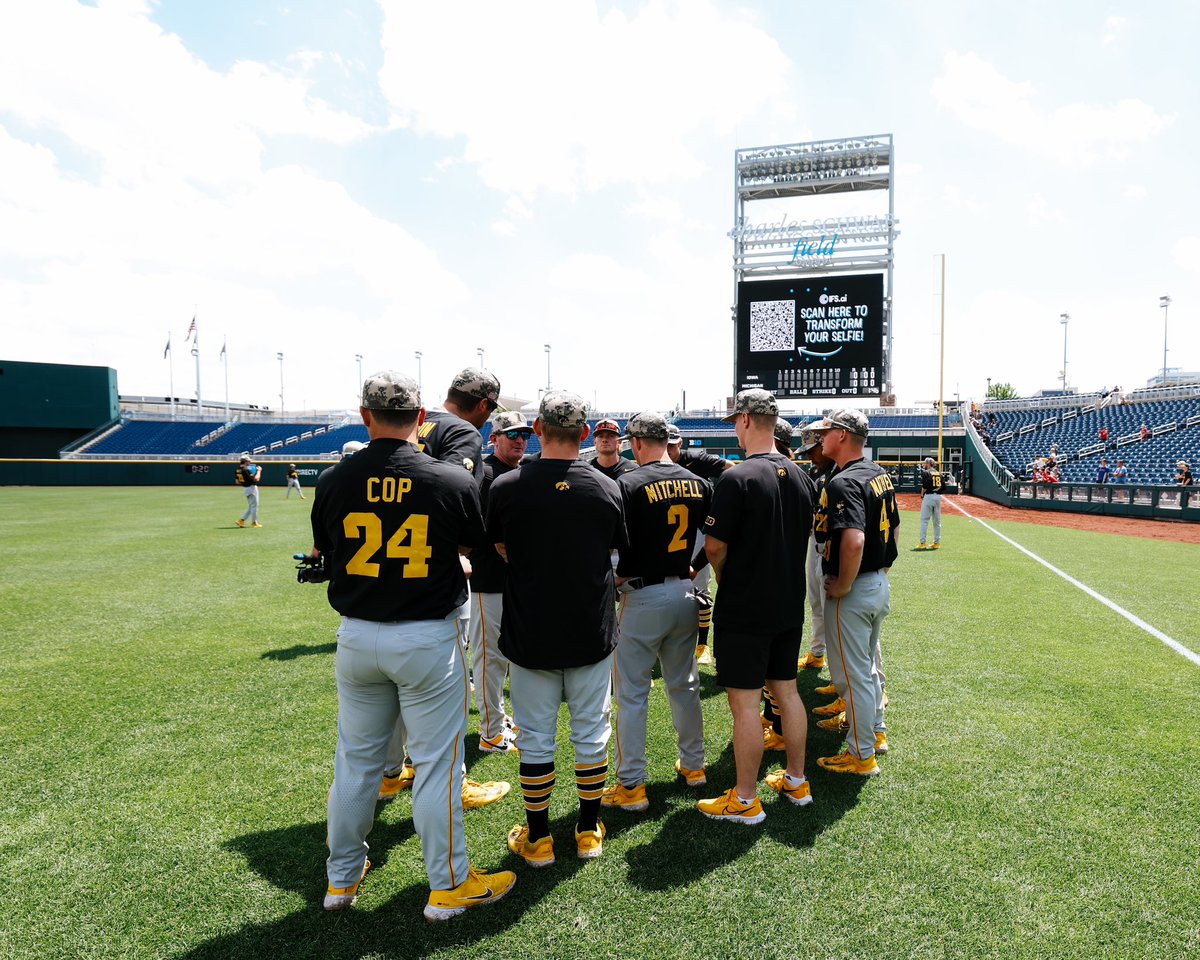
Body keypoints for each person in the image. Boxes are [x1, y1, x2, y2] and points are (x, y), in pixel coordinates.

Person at [311, 370, 514, 919]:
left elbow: (326, 550)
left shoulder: (332, 480)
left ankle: (341, 879)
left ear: (364, 416)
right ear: (422, 419)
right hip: (426, 637)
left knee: (356, 765)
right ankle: (448, 886)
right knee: (438, 764)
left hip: (356, 636)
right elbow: (466, 546)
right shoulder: (450, 480)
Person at [489, 390, 627, 866]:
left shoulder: (506, 486)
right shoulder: (608, 487)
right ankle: (587, 832)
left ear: (540, 431)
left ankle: (540, 838)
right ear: (585, 433)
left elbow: (500, 546)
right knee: (591, 735)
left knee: (536, 738)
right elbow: (614, 548)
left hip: (531, 630)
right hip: (589, 627)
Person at [380, 365, 509, 809]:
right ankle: (455, 779)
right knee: (447, 688)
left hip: (384, 568)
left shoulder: (418, 421)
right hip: (435, 574)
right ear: (485, 405)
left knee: (390, 689)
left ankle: (392, 771)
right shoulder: (462, 432)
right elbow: (454, 496)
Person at [697, 388, 816, 822]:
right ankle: (797, 781)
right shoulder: (803, 476)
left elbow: (713, 549)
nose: (734, 428)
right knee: (787, 692)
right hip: (788, 602)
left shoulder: (737, 477)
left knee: (745, 704)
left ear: (746, 419)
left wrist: (730, 578)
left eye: (734, 421)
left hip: (747, 607)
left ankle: (745, 800)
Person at [602, 412, 711, 813]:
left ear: (636, 442)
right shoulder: (698, 482)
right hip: (684, 589)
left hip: (641, 594)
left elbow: (618, 546)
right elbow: (713, 539)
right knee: (684, 684)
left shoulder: (626, 483)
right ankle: (695, 767)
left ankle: (632, 785)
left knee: (631, 693)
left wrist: (617, 578)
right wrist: (695, 567)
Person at [813, 409, 900, 777]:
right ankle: (875, 732)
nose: (821, 438)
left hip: (855, 586)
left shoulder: (843, 482)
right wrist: (883, 567)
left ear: (844, 435)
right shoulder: (878, 474)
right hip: (878, 581)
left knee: (854, 676)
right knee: (867, 668)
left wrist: (845, 583)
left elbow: (854, 540)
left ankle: (861, 755)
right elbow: (894, 527)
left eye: (828, 431)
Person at [469, 410, 531, 755]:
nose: (520, 440)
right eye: (512, 435)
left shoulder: (517, 473)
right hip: (487, 579)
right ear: (495, 438)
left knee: (508, 657)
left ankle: (500, 719)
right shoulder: (487, 474)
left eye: (523, 434)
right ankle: (491, 732)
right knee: (490, 659)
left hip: (514, 580)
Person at [666, 424, 729, 663]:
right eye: (666, 445)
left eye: (673, 445)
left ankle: (703, 645)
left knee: (700, 585)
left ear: (680, 443)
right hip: (669, 529)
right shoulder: (658, 462)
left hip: (698, 529)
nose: (670, 450)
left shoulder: (694, 459)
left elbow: (731, 469)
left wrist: (719, 497)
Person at [797, 421, 834, 671]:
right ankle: (817, 652)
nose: (810, 456)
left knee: (837, 612)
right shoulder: (814, 472)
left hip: (835, 547)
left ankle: (843, 675)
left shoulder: (843, 472)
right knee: (816, 602)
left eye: (812, 450)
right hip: (816, 542)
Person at [917, 456, 943, 549]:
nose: (924, 464)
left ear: (928, 464)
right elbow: (943, 487)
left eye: (925, 463)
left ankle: (922, 543)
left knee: (924, 520)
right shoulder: (938, 473)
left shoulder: (926, 472)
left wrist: (922, 493)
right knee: (937, 521)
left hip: (929, 496)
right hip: (938, 497)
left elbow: (925, 485)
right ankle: (937, 543)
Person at [235, 456, 262, 528]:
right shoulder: (245, 470)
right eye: (249, 461)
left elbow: (237, 482)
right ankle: (254, 522)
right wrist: (259, 471)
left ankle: (241, 520)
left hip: (245, 488)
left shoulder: (238, 470)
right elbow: (256, 479)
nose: (250, 462)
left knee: (251, 506)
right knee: (255, 506)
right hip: (251, 488)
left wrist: (245, 482)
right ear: (245, 461)